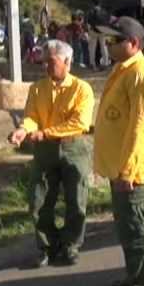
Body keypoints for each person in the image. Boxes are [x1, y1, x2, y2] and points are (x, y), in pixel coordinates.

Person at [93, 16, 144, 286]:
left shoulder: (143, 75)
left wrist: (129, 169)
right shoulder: (123, 70)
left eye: (115, 40)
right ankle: (136, 275)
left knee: (140, 228)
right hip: (119, 167)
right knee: (127, 228)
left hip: (132, 171)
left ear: (133, 43)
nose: (109, 44)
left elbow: (142, 126)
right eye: (108, 39)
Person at [8, 40, 95, 268]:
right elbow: (31, 116)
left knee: (77, 199)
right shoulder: (37, 88)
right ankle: (47, 246)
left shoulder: (82, 89)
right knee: (39, 199)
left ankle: (71, 245)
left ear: (67, 62)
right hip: (45, 150)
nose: (46, 66)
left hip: (73, 147)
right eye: (44, 61)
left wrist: (45, 132)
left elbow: (79, 122)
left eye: (52, 61)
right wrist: (22, 129)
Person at [86, 0, 110, 70]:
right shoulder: (104, 11)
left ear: (93, 4)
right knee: (103, 47)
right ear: (99, 4)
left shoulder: (91, 11)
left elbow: (88, 21)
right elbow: (107, 20)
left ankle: (92, 64)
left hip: (93, 31)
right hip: (102, 31)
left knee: (92, 47)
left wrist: (89, 29)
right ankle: (106, 63)